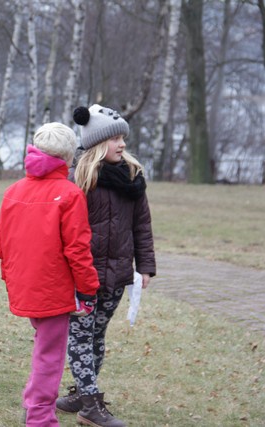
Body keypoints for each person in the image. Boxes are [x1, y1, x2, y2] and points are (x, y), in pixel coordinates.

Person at [56, 104, 156, 427]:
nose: (122, 144)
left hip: (117, 276)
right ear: (99, 142)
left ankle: (82, 394)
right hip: (83, 276)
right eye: (115, 138)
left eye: (123, 138)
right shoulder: (80, 178)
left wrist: (146, 266)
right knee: (81, 336)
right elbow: (65, 230)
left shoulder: (132, 177)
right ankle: (90, 405)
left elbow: (142, 225)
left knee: (97, 335)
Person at [0, 123, 100, 426]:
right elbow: (78, 250)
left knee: (45, 346)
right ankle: (40, 415)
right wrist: (88, 289)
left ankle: (32, 403)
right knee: (50, 355)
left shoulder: (13, 191)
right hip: (53, 288)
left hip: (25, 283)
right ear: (69, 158)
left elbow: (2, 245)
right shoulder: (69, 194)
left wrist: (11, 279)